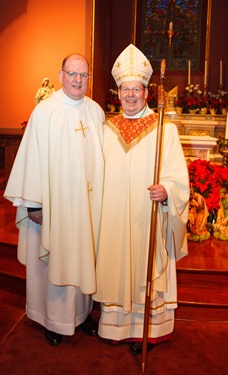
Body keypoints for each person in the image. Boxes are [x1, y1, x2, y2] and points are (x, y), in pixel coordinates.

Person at [93, 44, 190, 355]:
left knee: (145, 270)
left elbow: (178, 178)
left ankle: (147, 330)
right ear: (117, 93)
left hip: (148, 218)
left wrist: (166, 192)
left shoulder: (165, 129)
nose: (131, 95)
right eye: (125, 89)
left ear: (147, 93)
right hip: (113, 219)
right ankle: (114, 325)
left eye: (136, 89)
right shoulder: (106, 129)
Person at [4, 54, 105, 345]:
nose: (77, 80)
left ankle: (82, 315)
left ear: (88, 79)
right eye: (72, 73)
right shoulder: (45, 112)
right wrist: (34, 203)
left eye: (83, 75)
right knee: (52, 260)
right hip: (53, 208)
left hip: (85, 208)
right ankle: (51, 319)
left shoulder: (96, 112)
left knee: (82, 256)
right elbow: (32, 158)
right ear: (61, 75)